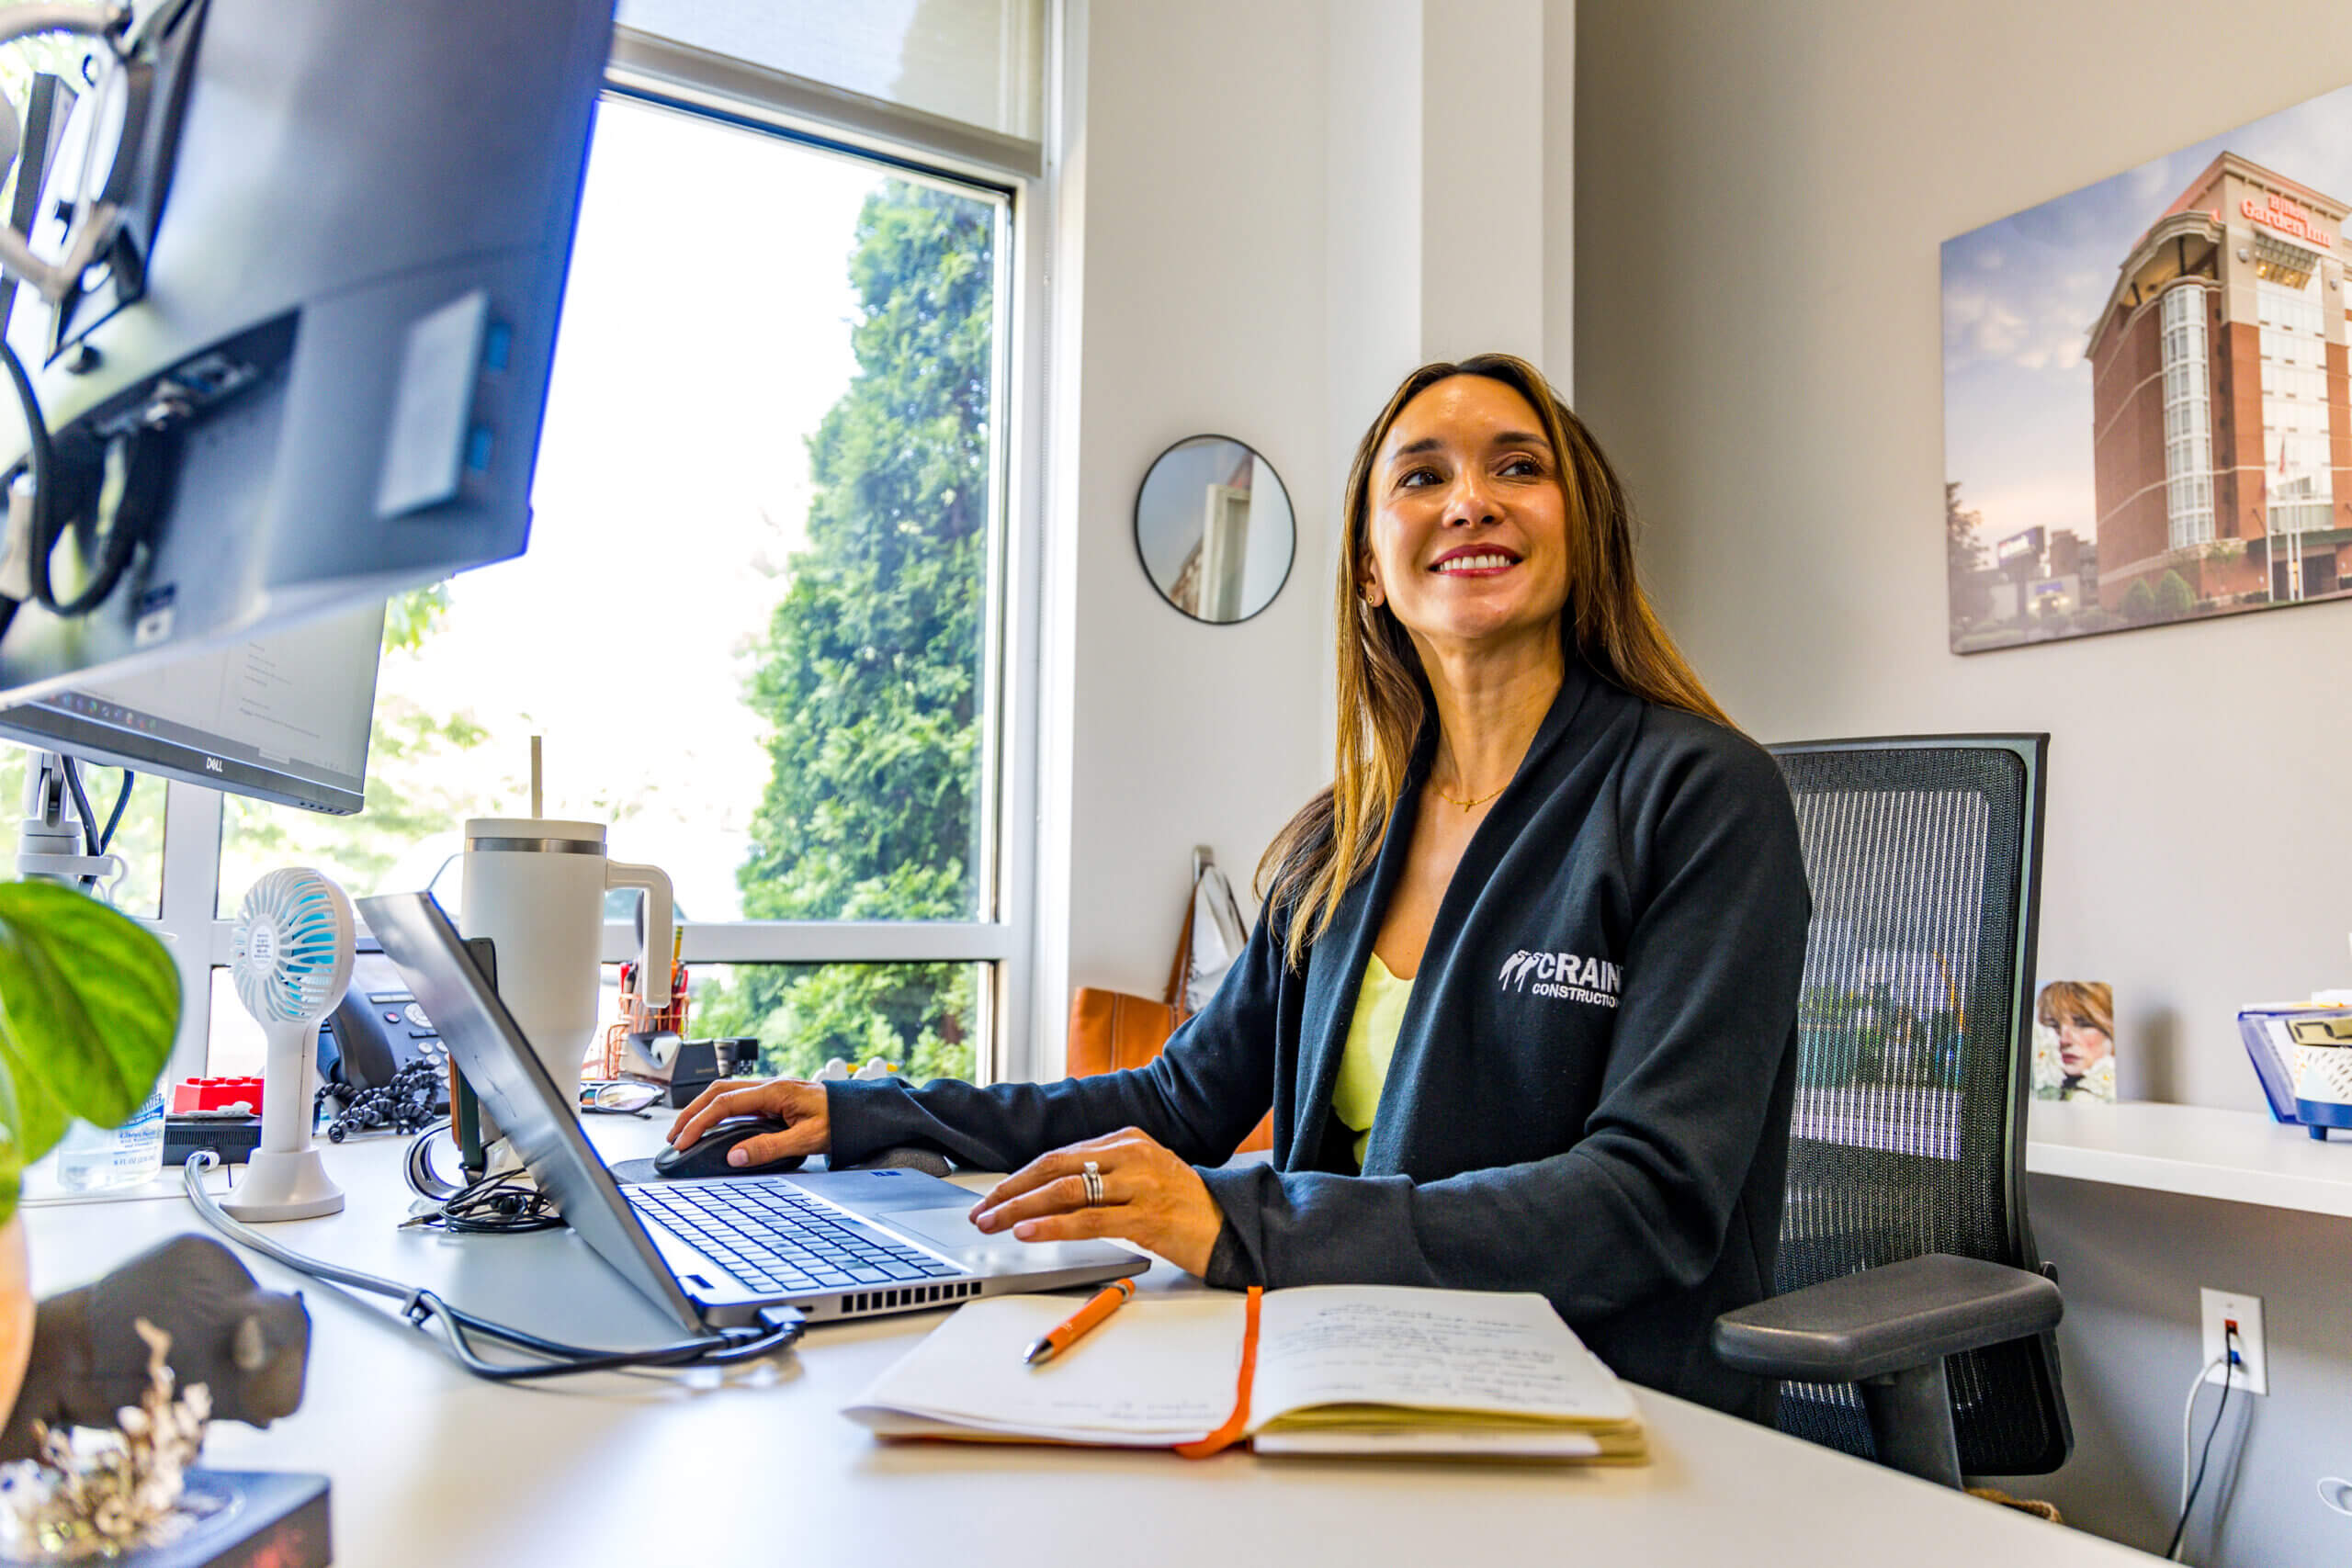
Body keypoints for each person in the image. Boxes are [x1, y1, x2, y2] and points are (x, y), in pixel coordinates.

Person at [670, 353, 1811, 1418]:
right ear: (1369, 567)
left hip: (1597, 1404)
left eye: (1519, 467)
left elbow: (1645, 1203)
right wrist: (869, 1112)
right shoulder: (1342, 840)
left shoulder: (1699, 795)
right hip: (1344, 1371)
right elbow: (1176, 1104)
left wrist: (1236, 1217)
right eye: (1422, 476)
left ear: (1585, 534)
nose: (1471, 500)